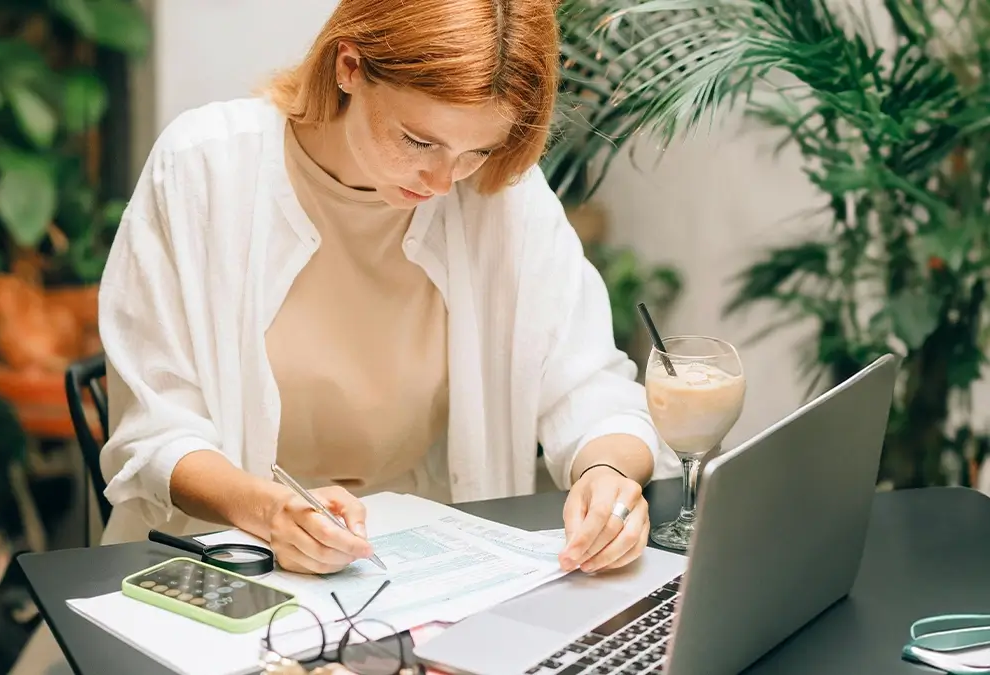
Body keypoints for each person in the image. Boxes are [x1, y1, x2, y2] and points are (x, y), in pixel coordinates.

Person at [97, 0, 680, 580]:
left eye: (477, 151)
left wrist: (608, 475)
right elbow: (156, 432)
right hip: (224, 561)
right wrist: (270, 513)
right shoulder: (204, 168)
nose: (443, 181)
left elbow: (590, 388)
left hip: (418, 568)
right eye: (419, 142)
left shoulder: (500, 197)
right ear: (349, 67)